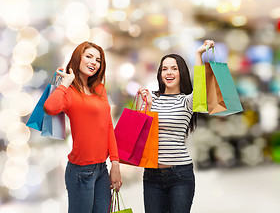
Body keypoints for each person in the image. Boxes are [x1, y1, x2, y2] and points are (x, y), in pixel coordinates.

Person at [44, 41, 122, 213]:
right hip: (80, 171)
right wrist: (65, 82)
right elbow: (50, 107)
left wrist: (115, 164)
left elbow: (108, 126)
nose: (94, 62)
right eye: (89, 56)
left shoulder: (99, 89)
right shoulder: (68, 91)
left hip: (102, 169)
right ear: (78, 58)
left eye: (98, 60)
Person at [138, 40, 215, 213]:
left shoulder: (187, 101)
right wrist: (147, 108)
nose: (169, 72)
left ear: (182, 73)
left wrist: (198, 54)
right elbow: (143, 137)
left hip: (180, 174)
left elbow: (201, 88)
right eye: (164, 68)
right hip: (151, 175)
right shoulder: (152, 99)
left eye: (174, 68)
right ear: (159, 73)